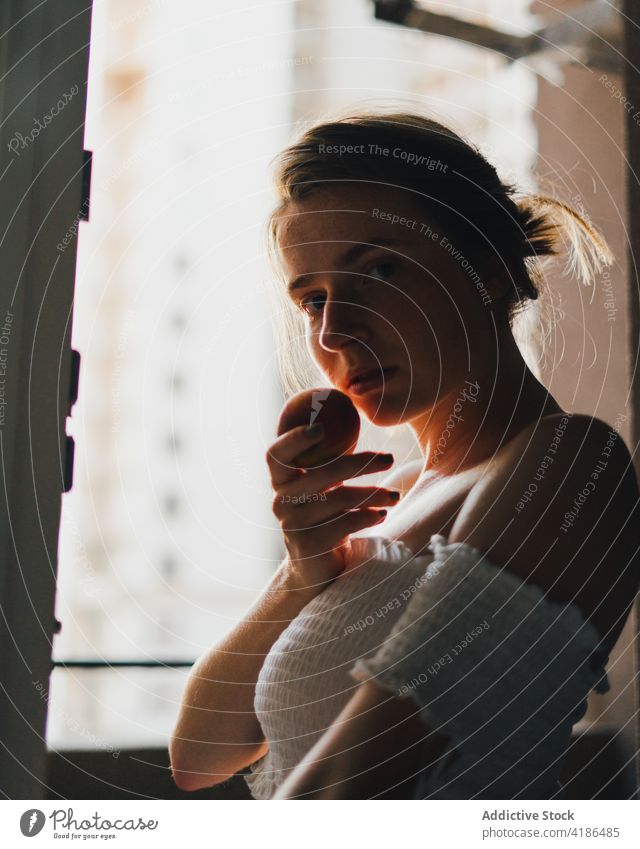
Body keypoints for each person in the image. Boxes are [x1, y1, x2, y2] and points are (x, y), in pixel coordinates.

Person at [169, 109, 640, 799]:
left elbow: (346, 796)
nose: (335, 329)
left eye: (379, 268)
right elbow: (198, 751)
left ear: (488, 267)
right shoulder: (384, 509)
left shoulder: (564, 466)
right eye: (312, 299)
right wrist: (303, 574)